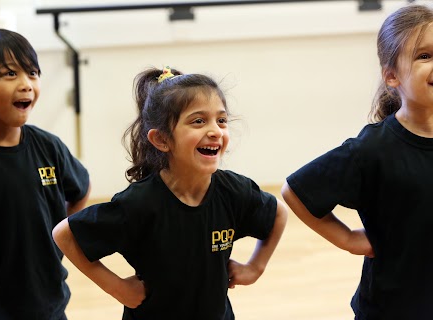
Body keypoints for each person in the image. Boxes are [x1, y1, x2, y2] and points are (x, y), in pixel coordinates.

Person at [53, 66, 288, 319]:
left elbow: (278, 213)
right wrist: (118, 288)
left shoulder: (233, 191)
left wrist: (255, 267)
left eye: (221, 120)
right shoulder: (140, 203)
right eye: (198, 121)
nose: (215, 131)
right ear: (162, 140)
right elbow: (65, 235)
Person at [281, 4, 433, 319]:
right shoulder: (372, 149)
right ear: (392, 76)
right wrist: (349, 239)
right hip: (393, 308)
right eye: (424, 56)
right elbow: (295, 191)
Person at [0, 29, 91, 319]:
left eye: (32, 73)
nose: (26, 84)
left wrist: (63, 235)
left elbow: (80, 189)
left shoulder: (48, 146)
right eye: (10, 74)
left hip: (46, 301)